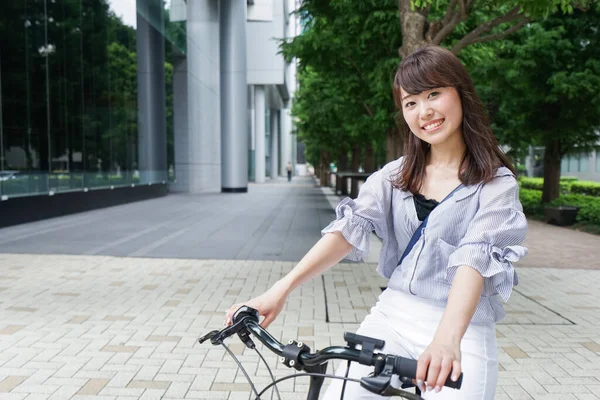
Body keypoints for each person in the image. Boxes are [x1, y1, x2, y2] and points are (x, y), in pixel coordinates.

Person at [225, 45, 528, 399]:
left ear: (461, 93)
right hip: (394, 316)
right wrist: (279, 290)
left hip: (463, 326)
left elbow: (474, 260)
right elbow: (346, 230)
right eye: (410, 102)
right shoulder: (394, 176)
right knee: (340, 394)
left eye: (434, 94)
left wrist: (447, 338)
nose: (424, 111)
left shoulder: (495, 184)